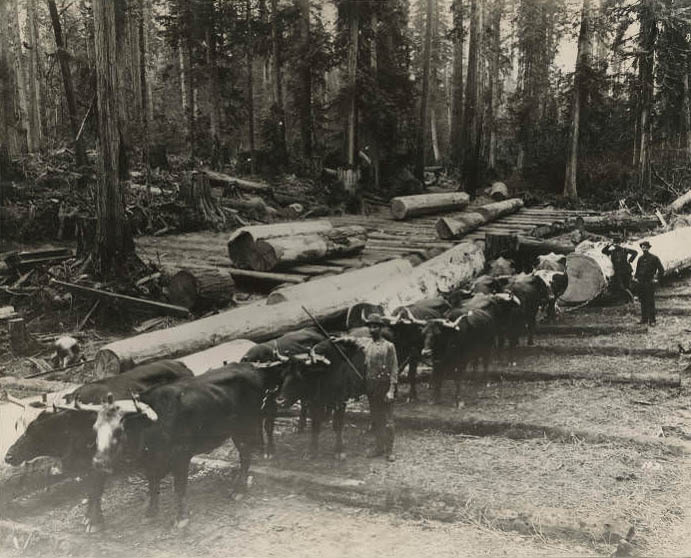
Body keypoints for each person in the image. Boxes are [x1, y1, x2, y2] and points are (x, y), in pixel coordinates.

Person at [337, 314, 398, 461]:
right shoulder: (366, 343)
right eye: (370, 326)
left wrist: (391, 390)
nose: (372, 329)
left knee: (388, 420)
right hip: (371, 386)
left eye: (375, 326)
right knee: (376, 418)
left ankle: (389, 451)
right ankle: (379, 448)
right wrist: (338, 339)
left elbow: (394, 369)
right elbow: (352, 340)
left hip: (385, 385)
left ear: (381, 328)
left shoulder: (389, 346)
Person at [634, 240, 664, 325]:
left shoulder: (654, 258)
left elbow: (661, 270)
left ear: (648, 248)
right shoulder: (640, 259)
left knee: (650, 301)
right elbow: (637, 270)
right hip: (641, 283)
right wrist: (636, 278)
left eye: (645, 247)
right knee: (643, 301)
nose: (644, 249)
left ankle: (652, 320)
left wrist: (657, 278)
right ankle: (644, 319)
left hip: (649, 282)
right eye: (642, 247)